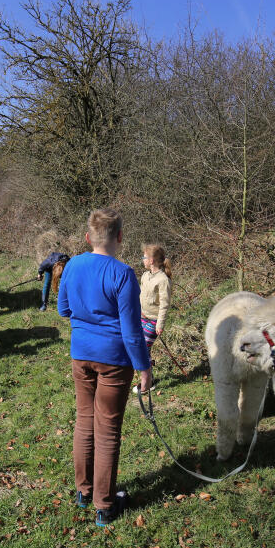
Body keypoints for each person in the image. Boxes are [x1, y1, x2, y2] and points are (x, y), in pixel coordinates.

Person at [58, 208, 152, 526]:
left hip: (80, 354)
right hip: (114, 360)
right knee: (107, 430)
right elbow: (131, 330)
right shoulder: (122, 273)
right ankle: (105, 505)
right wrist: (144, 368)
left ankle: (84, 493)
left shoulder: (73, 264)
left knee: (85, 422)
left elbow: (63, 308)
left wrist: (87, 324)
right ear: (120, 237)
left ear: (88, 237)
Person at [140, 244, 172, 352]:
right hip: (142, 317)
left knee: (143, 348)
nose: (143, 260)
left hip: (154, 320)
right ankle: (145, 367)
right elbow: (140, 296)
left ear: (151, 260)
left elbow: (164, 304)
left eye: (144, 257)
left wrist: (160, 324)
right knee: (138, 346)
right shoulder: (145, 275)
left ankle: (146, 368)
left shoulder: (163, 280)